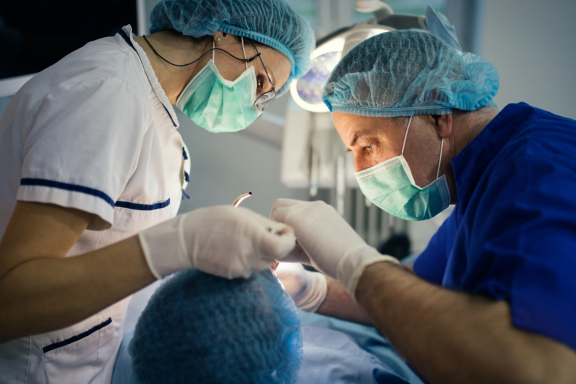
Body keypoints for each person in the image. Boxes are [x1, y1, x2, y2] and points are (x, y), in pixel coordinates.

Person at [0, 0, 314, 382]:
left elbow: (112, 244)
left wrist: (213, 251)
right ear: (224, 32)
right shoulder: (106, 94)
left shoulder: (149, 104)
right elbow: (10, 299)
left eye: (265, 99)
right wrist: (179, 244)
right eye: (261, 83)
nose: (254, 105)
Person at [270, 30, 576, 384]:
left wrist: (354, 262)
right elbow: (421, 289)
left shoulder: (534, 176)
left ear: (438, 115)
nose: (360, 170)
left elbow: (539, 368)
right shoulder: (481, 178)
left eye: (368, 144)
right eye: (352, 152)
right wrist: (310, 288)